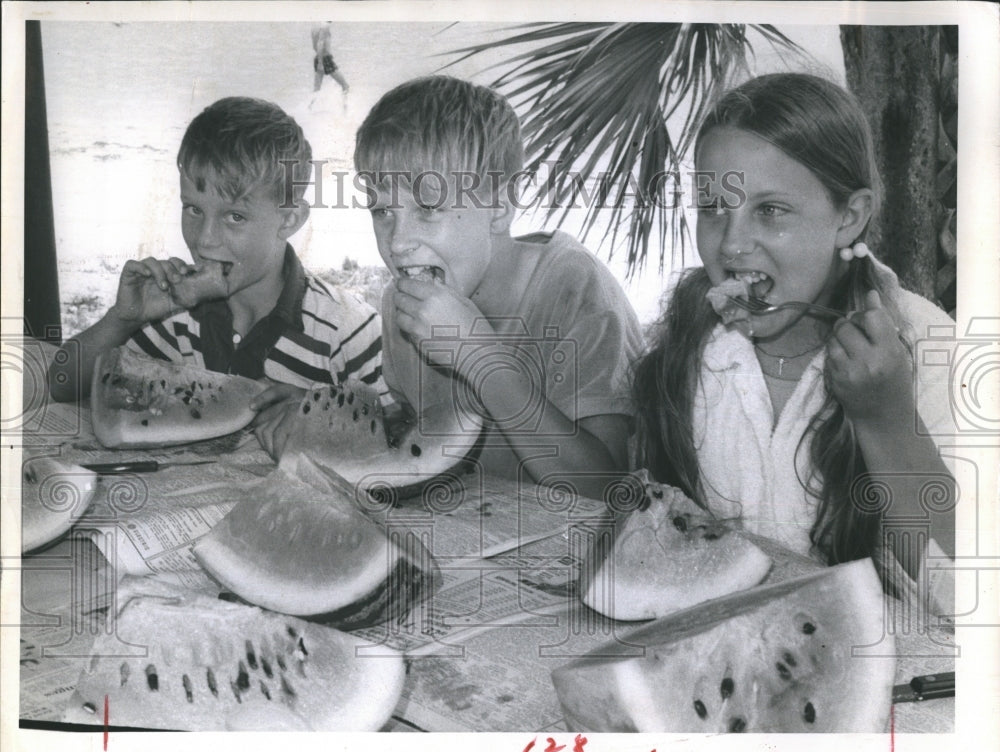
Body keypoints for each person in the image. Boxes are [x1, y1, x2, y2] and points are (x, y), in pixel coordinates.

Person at [632, 73, 956, 590]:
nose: (732, 244)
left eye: (771, 210)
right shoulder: (688, 346)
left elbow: (972, 599)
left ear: (849, 218)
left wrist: (884, 419)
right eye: (714, 208)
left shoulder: (932, 350)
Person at [354, 75, 645, 499]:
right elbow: (420, 438)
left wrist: (481, 357)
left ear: (499, 207)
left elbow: (604, 487)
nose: (397, 243)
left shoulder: (577, 291)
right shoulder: (400, 306)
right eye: (382, 210)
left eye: (428, 208)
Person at [48, 96, 386, 459]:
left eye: (235, 217)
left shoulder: (348, 332)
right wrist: (122, 320)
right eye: (193, 209)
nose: (204, 240)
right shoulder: (174, 316)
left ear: (290, 219)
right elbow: (62, 385)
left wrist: (322, 416)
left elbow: (394, 438)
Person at [311, 23, 349, 97]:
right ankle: (346, 108)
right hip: (325, 59)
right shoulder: (325, 26)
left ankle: (309, 108)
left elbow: (314, 46)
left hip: (318, 58)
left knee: (316, 90)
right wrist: (321, 63)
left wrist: (319, 61)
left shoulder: (315, 26)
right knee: (345, 86)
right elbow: (320, 44)